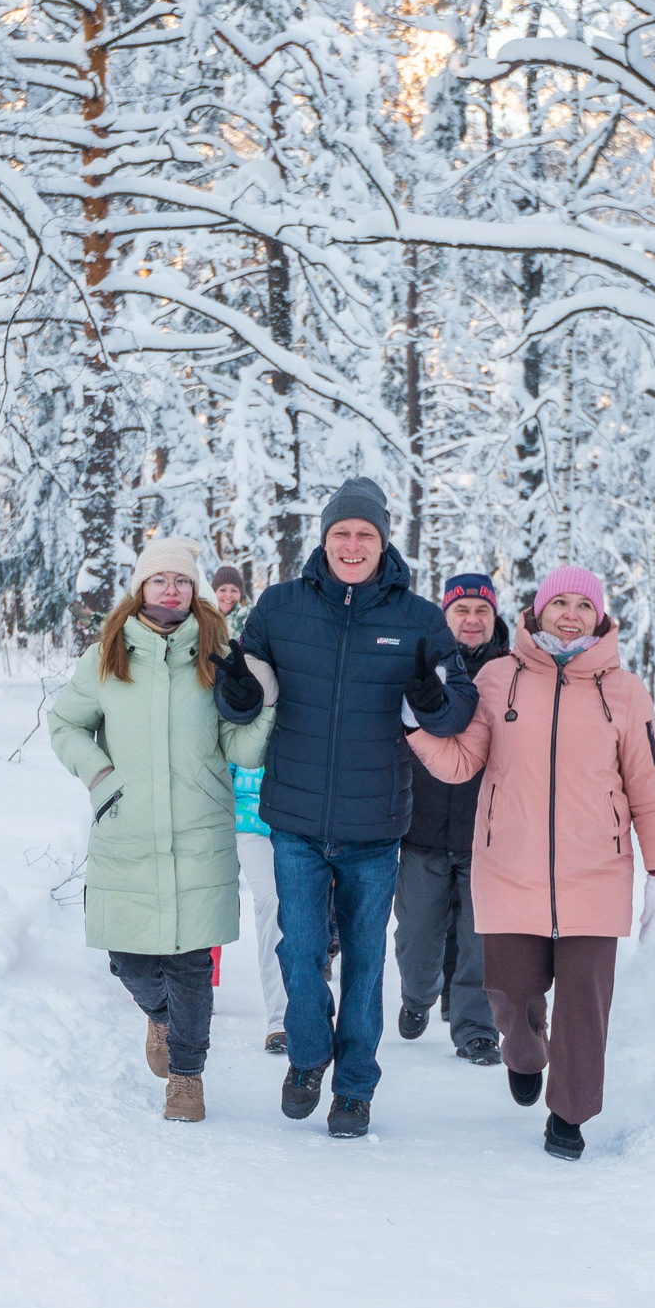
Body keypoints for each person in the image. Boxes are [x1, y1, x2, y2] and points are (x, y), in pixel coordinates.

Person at [213, 478, 478, 1138]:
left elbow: (457, 705)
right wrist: (236, 691)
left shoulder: (417, 620)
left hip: (375, 826)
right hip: (295, 820)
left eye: (364, 534)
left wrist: (430, 698)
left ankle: (354, 1088)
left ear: (383, 539)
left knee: (363, 964)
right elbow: (248, 696)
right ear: (324, 538)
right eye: (341, 533)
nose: (352, 545)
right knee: (299, 950)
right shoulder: (279, 607)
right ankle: (308, 1058)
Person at [406, 565, 655, 1160]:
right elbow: (461, 764)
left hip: (596, 874)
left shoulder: (626, 692)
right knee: (508, 990)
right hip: (508, 867)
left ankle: (569, 1116)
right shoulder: (501, 678)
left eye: (585, 605)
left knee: (585, 1005)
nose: (572, 614)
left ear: (600, 617)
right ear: (539, 610)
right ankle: (524, 1053)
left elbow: (650, 789)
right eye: (561, 603)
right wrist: (415, 728)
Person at [50, 539, 276, 1123]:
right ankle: (161, 1017)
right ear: (140, 589)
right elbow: (66, 723)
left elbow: (244, 750)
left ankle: (186, 1077)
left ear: (195, 589)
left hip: (199, 828)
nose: (171, 589)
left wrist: (261, 702)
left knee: (190, 963)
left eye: (182, 580)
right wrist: (101, 777)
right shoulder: (106, 654)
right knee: (130, 959)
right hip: (127, 825)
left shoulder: (218, 650)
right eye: (159, 580)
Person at [394, 573, 512, 1064]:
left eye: (481, 611)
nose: (472, 619)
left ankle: (475, 1028)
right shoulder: (424, 661)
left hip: (487, 835)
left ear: (494, 617)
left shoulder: (512, 674)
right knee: (417, 938)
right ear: (445, 616)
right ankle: (418, 996)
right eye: (461, 610)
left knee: (479, 941)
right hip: (420, 828)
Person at [212, 564, 289, 1053]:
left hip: (274, 821)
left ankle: (280, 1018)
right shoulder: (233, 670)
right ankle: (189, 985)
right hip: (224, 813)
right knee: (210, 902)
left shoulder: (302, 678)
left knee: (272, 902)